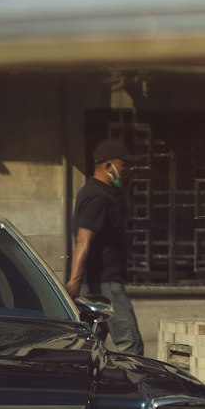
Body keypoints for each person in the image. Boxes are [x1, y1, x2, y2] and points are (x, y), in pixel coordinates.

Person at [66, 137, 144, 356]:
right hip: (104, 285)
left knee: (90, 347)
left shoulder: (106, 195)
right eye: (125, 164)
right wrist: (74, 280)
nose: (129, 169)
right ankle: (132, 388)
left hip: (100, 284)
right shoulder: (97, 196)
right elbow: (84, 239)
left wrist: (125, 190)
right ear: (108, 166)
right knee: (131, 344)